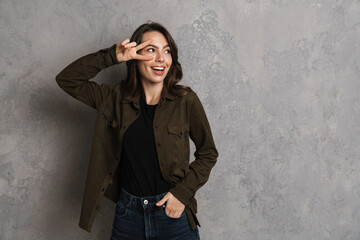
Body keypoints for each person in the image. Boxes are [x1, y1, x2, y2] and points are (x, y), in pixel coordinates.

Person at [55, 21, 218, 240]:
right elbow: (67, 80)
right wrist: (113, 56)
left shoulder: (186, 100)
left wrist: (181, 194)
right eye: (151, 50)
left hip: (173, 215)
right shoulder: (113, 99)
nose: (161, 59)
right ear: (135, 55)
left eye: (167, 51)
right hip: (128, 216)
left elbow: (208, 153)